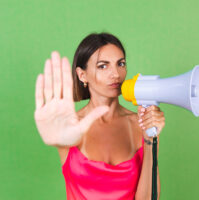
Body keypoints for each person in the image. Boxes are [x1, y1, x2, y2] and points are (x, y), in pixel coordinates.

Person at [34, 32, 165, 200]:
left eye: (121, 64)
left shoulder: (141, 124)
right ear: (82, 75)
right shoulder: (70, 125)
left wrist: (150, 140)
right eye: (103, 66)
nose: (116, 74)